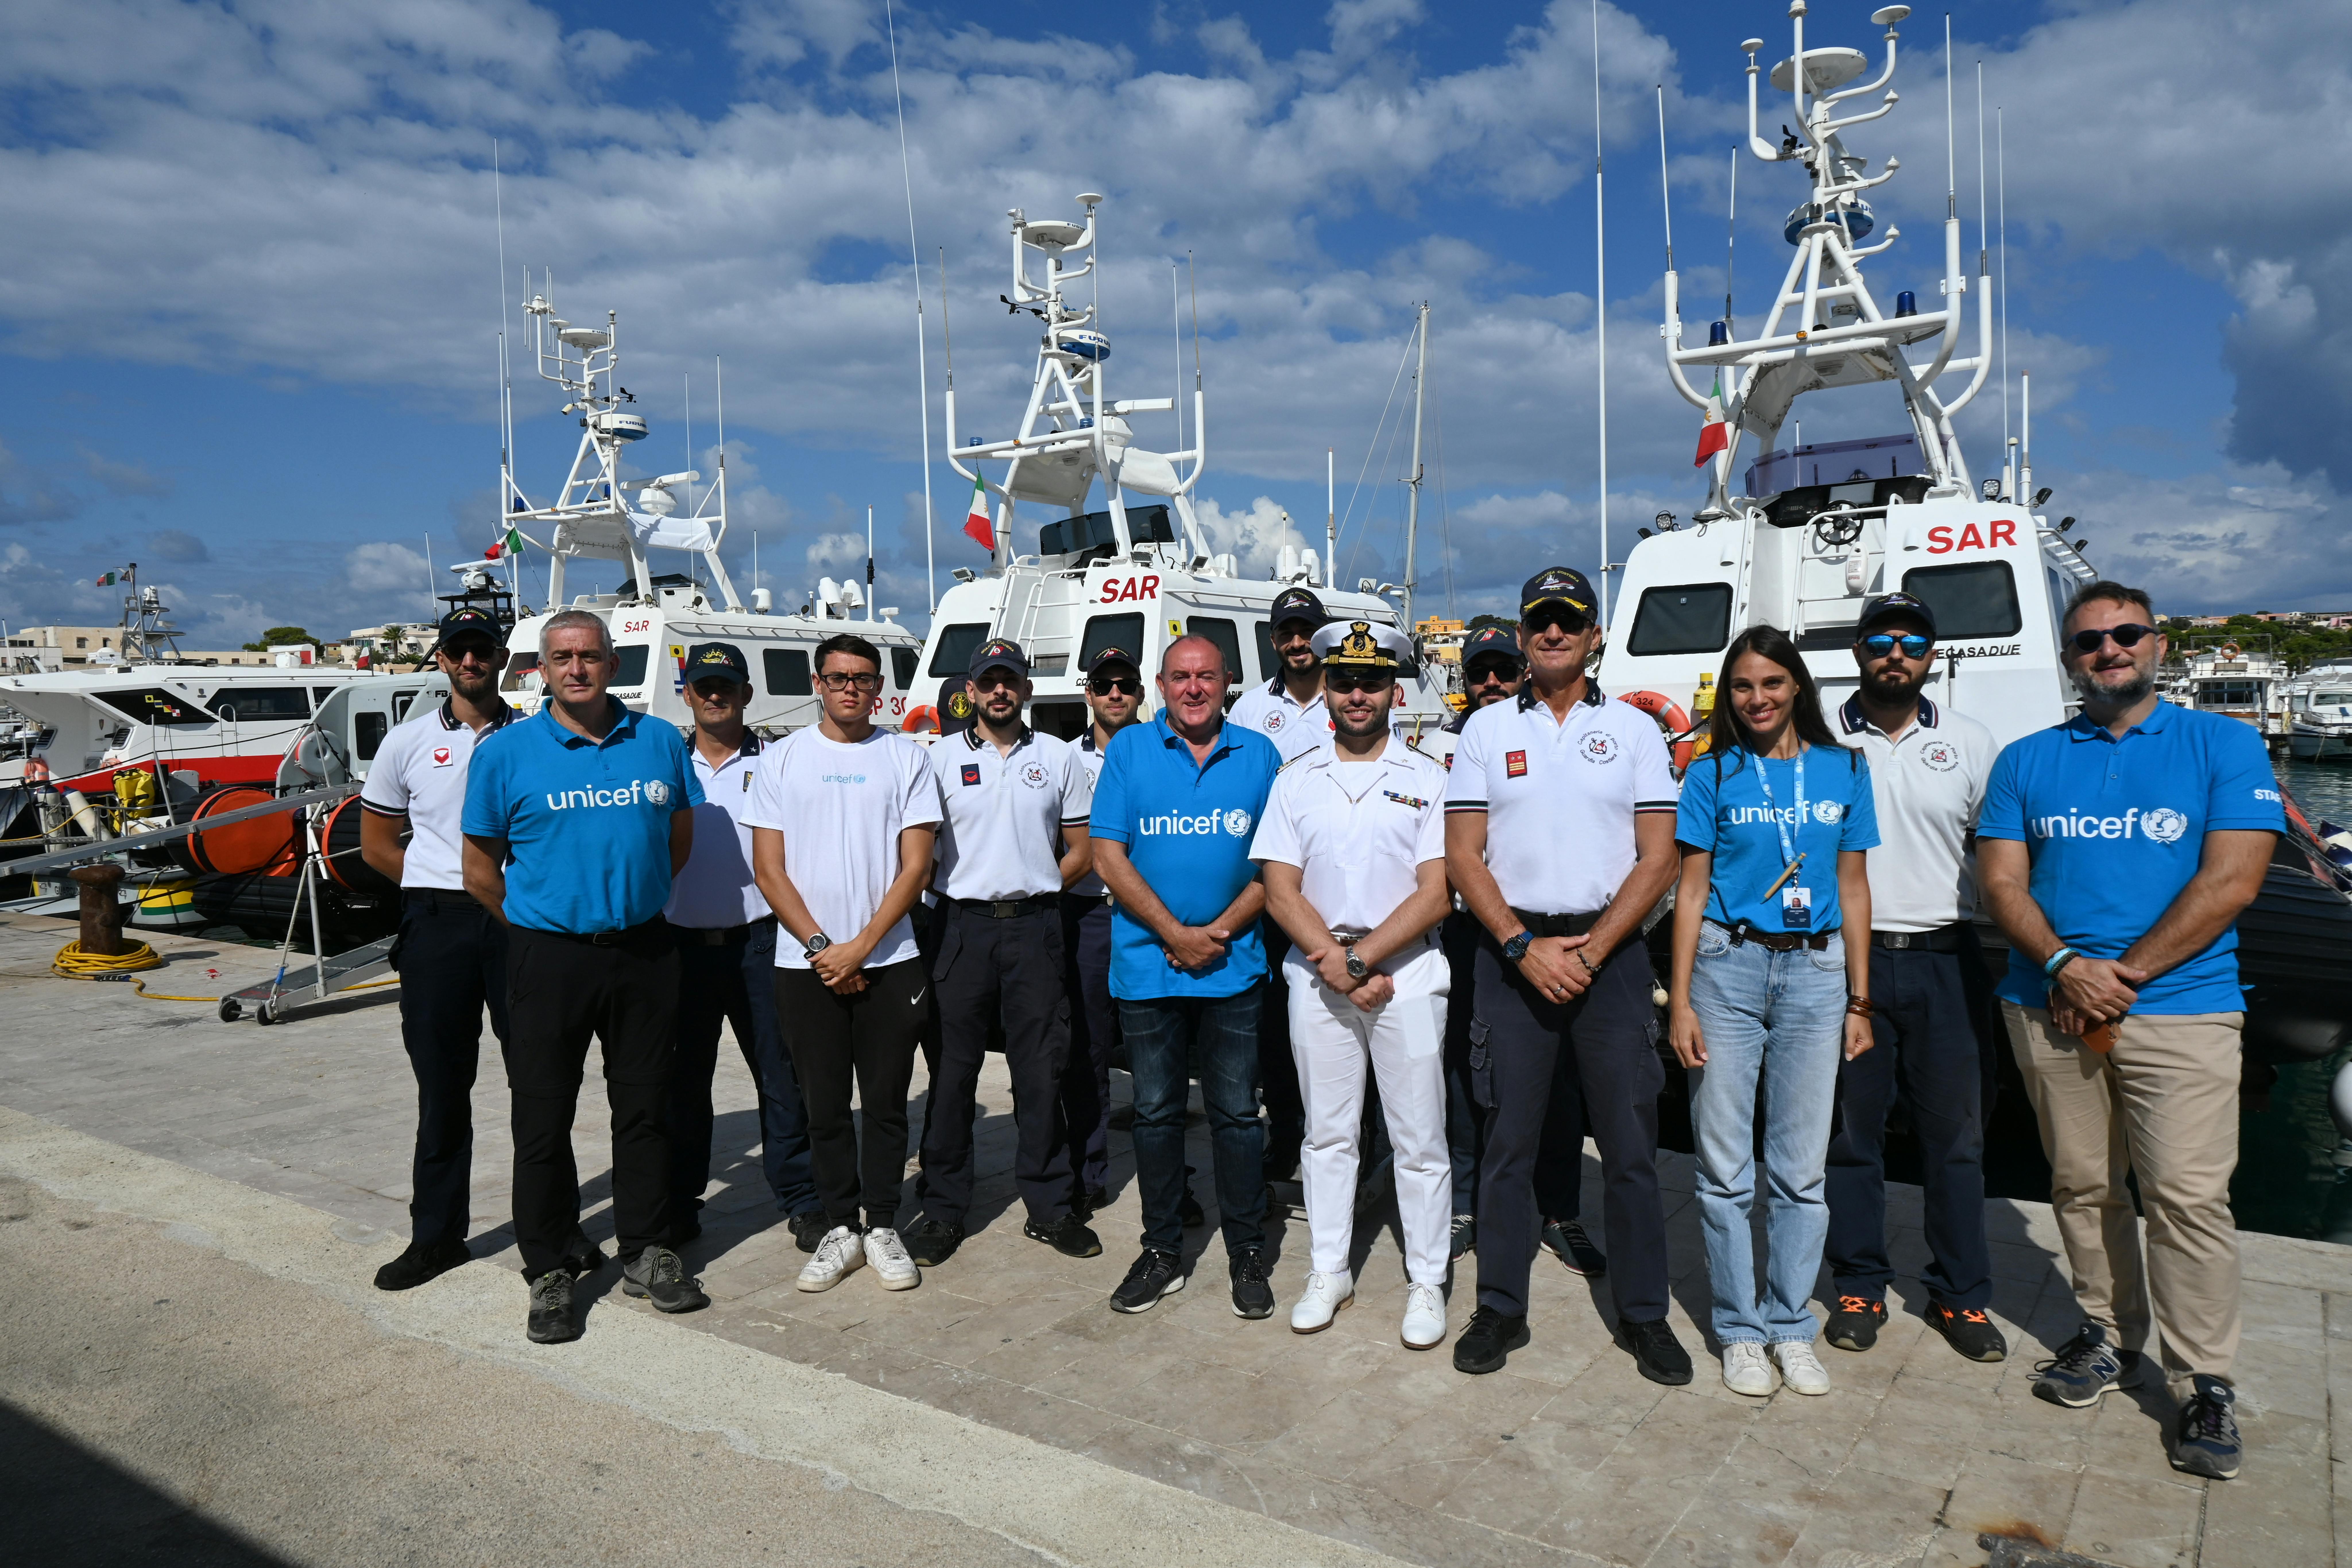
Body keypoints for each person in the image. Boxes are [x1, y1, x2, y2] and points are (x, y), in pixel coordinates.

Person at [1978, 581, 2279, 1482]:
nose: (2108, 650)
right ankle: (2109, 1335)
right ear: (2069, 658)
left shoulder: (2221, 742)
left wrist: (2122, 977)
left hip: (2181, 1005)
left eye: (2125, 635)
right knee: (2081, 1183)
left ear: (2156, 643)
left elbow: (2233, 880)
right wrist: (2069, 965)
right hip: (2047, 1001)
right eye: (2089, 641)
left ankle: (2204, 1380)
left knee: (2187, 1196)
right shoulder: (2028, 757)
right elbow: (2002, 884)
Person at [1442, 567, 1688, 1382]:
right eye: (1539, 619)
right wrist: (1518, 944)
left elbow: (1659, 861)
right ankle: (1500, 1307)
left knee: (1628, 1145)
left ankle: (1644, 1314)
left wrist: (1588, 949)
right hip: (1510, 957)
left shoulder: (1635, 730)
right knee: (1506, 1142)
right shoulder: (1483, 731)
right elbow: (1463, 855)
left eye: (1569, 620)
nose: (1553, 632)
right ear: (1521, 633)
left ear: (1594, 637)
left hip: (1608, 959)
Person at [460, 608, 709, 1344]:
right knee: (542, 1117)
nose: (578, 669)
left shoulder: (660, 741)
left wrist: (629, 905)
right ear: (542, 668)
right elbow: (479, 871)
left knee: (645, 1108)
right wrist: (545, 924)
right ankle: (549, 1269)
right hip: (548, 956)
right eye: (563, 657)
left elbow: (678, 843)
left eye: (592, 656)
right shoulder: (505, 754)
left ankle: (645, 1250)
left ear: (611, 664)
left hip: (643, 950)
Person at [1668, 625, 1878, 1398]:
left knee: (1801, 1171)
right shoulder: (1713, 772)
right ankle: (1738, 1327)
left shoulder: (1845, 768)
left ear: (1797, 687)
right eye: (1743, 686)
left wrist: (1861, 997)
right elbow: (1690, 891)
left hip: (1818, 975)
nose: (1757, 699)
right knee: (1725, 1170)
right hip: (1728, 968)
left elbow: (1854, 888)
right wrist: (1681, 999)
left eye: (1772, 683)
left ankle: (1791, 1323)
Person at [1253, 620, 1453, 1349]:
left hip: (1405, 974)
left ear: (1395, 691)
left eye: (1371, 681)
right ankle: (1329, 1267)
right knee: (1327, 1135)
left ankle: (1426, 1279)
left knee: (1419, 1138)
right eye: (1344, 681)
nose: (1357, 694)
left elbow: (1437, 892)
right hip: (1316, 973)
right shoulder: (1295, 777)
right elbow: (1280, 886)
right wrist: (1336, 964)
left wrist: (1361, 961)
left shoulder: (1429, 778)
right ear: (1328, 690)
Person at [1823, 595, 2007, 1362]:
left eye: (1912, 641)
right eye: (1880, 640)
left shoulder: (1970, 741)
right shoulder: (1818, 736)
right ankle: (1859, 1283)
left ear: (1932, 654)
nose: (1895, 652)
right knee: (1850, 1137)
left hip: (1945, 956)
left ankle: (1960, 1295)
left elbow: (1999, 857)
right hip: (1841, 963)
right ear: (1859, 651)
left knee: (1957, 1139)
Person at [1088, 634, 1285, 1317]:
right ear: (1161, 685)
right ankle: (1163, 1249)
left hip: (1234, 966)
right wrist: (1174, 933)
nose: (1194, 688)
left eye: (1206, 676)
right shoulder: (1129, 751)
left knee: (1235, 1115)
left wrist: (1218, 932)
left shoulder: (1259, 754)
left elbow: (1278, 864)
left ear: (1227, 682)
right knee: (1155, 1113)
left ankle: (1247, 1252)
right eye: (1180, 677)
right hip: (1147, 966)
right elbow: (1107, 855)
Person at [361, 606, 554, 1291]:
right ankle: (437, 1237)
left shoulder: (536, 740)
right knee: (442, 1088)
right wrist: (436, 883)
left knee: (539, 1084)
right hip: (437, 926)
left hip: (515, 923)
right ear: (441, 661)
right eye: (458, 652)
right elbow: (378, 845)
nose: (471, 662)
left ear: (501, 658)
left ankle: (554, 1231)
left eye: (482, 651)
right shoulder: (406, 743)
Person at [744, 632, 942, 1296]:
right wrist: (823, 948)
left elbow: (916, 866)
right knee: (822, 1104)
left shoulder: (906, 758)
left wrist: (862, 946)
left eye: (862, 677)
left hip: (891, 960)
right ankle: (839, 1226)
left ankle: (882, 1223)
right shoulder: (781, 759)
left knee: (885, 1102)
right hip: (806, 966)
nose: (850, 688)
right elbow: (768, 870)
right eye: (838, 677)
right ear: (817, 682)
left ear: (878, 684)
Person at [907, 638, 1101, 1267]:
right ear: (970, 690)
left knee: (1041, 1070)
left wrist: (1043, 885)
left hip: (1036, 928)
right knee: (954, 1073)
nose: (999, 692)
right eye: (988, 681)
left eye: (1009, 681)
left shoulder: (1056, 757)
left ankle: (1049, 1206)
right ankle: (941, 1209)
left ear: (1026, 690)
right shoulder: (936, 759)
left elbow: (1082, 847)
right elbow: (920, 848)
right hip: (960, 928)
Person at [662, 642, 829, 1257]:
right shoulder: (666, 761)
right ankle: (680, 1204)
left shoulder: (780, 761)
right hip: (682, 947)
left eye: (726, 686)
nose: (715, 696)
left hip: (761, 944)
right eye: (704, 686)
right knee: (684, 1083)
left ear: (746, 694)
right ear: (687, 694)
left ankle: (802, 1198)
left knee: (782, 1079)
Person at [1227, 586, 1332, 1188]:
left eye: (1306, 631)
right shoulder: (1247, 709)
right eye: (1287, 632)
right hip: (1272, 892)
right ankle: (1286, 1134)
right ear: (1273, 639)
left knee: (1338, 1017)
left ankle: (1349, 1140)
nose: (1297, 642)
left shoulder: (1348, 694)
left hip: (1334, 889)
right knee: (1275, 1025)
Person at [1059, 644, 1144, 1214]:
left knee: (1153, 1050)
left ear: (1140, 692)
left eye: (1125, 683)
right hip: (1088, 915)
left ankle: (1173, 1176)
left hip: (1146, 916)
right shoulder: (1066, 759)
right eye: (1104, 684)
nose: (1115, 693)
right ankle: (1088, 1171)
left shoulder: (1165, 751)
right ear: (1087, 693)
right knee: (1087, 1049)